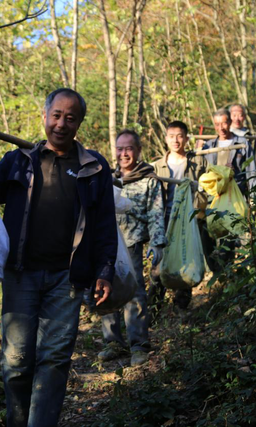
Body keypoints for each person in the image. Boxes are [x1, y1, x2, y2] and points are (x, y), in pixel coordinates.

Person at [0, 88, 117, 427]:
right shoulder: (20, 161)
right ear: (45, 116)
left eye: (70, 118)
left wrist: (104, 271)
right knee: (16, 361)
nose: (62, 124)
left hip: (67, 277)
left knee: (55, 359)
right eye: (56, 115)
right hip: (21, 274)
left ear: (79, 124)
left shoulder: (93, 167)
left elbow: (105, 224)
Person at [98, 129, 166, 367]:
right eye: (119, 148)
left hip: (132, 243)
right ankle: (113, 343)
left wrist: (158, 243)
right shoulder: (106, 177)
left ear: (138, 151)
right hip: (106, 244)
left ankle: (138, 344)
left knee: (134, 292)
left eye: (128, 148)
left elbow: (157, 212)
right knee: (104, 290)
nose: (123, 153)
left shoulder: (149, 180)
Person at [152, 121, 207, 310]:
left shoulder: (197, 162)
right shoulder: (157, 166)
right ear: (166, 138)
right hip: (163, 219)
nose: (176, 140)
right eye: (172, 136)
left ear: (186, 138)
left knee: (185, 258)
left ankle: (181, 306)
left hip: (187, 220)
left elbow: (206, 189)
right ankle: (154, 306)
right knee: (158, 265)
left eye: (180, 136)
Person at [201, 108, 256, 195]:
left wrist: (253, 198)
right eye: (217, 124)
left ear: (230, 122)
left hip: (237, 193)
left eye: (224, 123)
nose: (220, 128)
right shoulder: (208, 146)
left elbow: (251, 171)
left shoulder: (242, 143)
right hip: (215, 195)